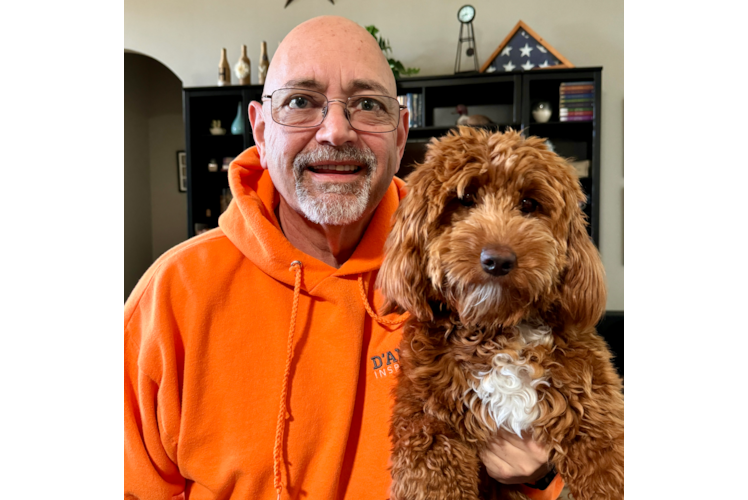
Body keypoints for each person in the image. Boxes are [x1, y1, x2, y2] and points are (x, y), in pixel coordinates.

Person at [123, 16, 563, 500]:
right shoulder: (170, 296)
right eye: (301, 101)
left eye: (367, 105)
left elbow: (559, 440)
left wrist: (541, 474)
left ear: (399, 136)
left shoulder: (479, 270)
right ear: (261, 130)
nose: (335, 131)